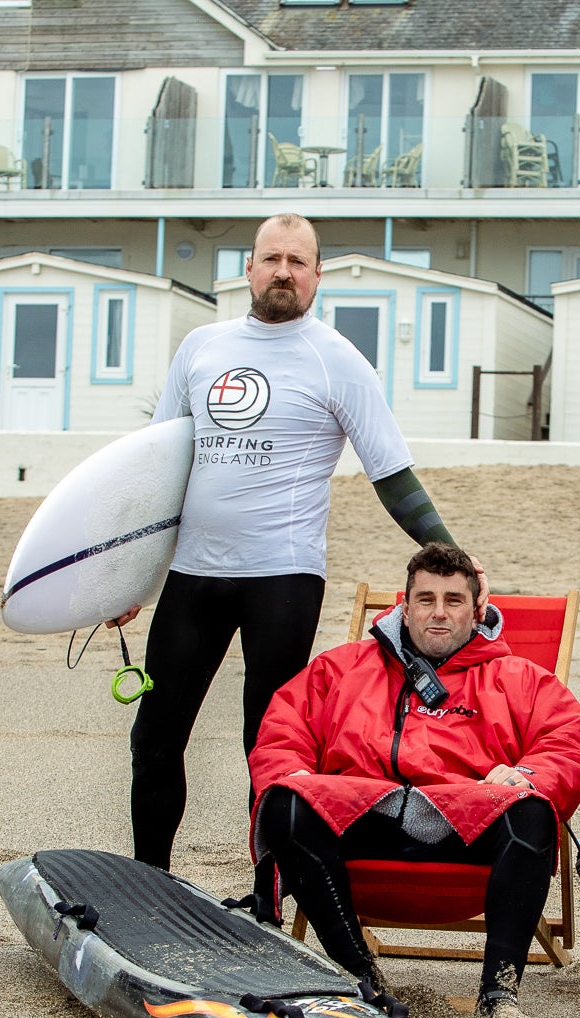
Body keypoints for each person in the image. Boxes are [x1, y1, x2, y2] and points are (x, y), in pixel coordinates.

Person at [114, 214, 468, 882]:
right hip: (192, 576)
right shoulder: (200, 348)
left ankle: (267, 896)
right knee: (154, 738)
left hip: (284, 578)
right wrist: (128, 576)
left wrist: (449, 555)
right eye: (271, 258)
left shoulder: (337, 360)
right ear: (248, 268)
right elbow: (156, 470)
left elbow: (390, 473)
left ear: (317, 276)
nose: (283, 272)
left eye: (297, 262)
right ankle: (148, 883)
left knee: (268, 747)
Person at [248, 542, 580, 1018]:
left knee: (533, 811)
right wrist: (294, 775)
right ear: (404, 607)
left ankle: (499, 996)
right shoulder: (341, 668)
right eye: (425, 599)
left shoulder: (519, 678)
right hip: (360, 817)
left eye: (453, 600)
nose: (438, 612)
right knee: (283, 802)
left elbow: (566, 746)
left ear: (477, 611)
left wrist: (527, 775)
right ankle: (361, 976)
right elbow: (282, 732)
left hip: (464, 824)